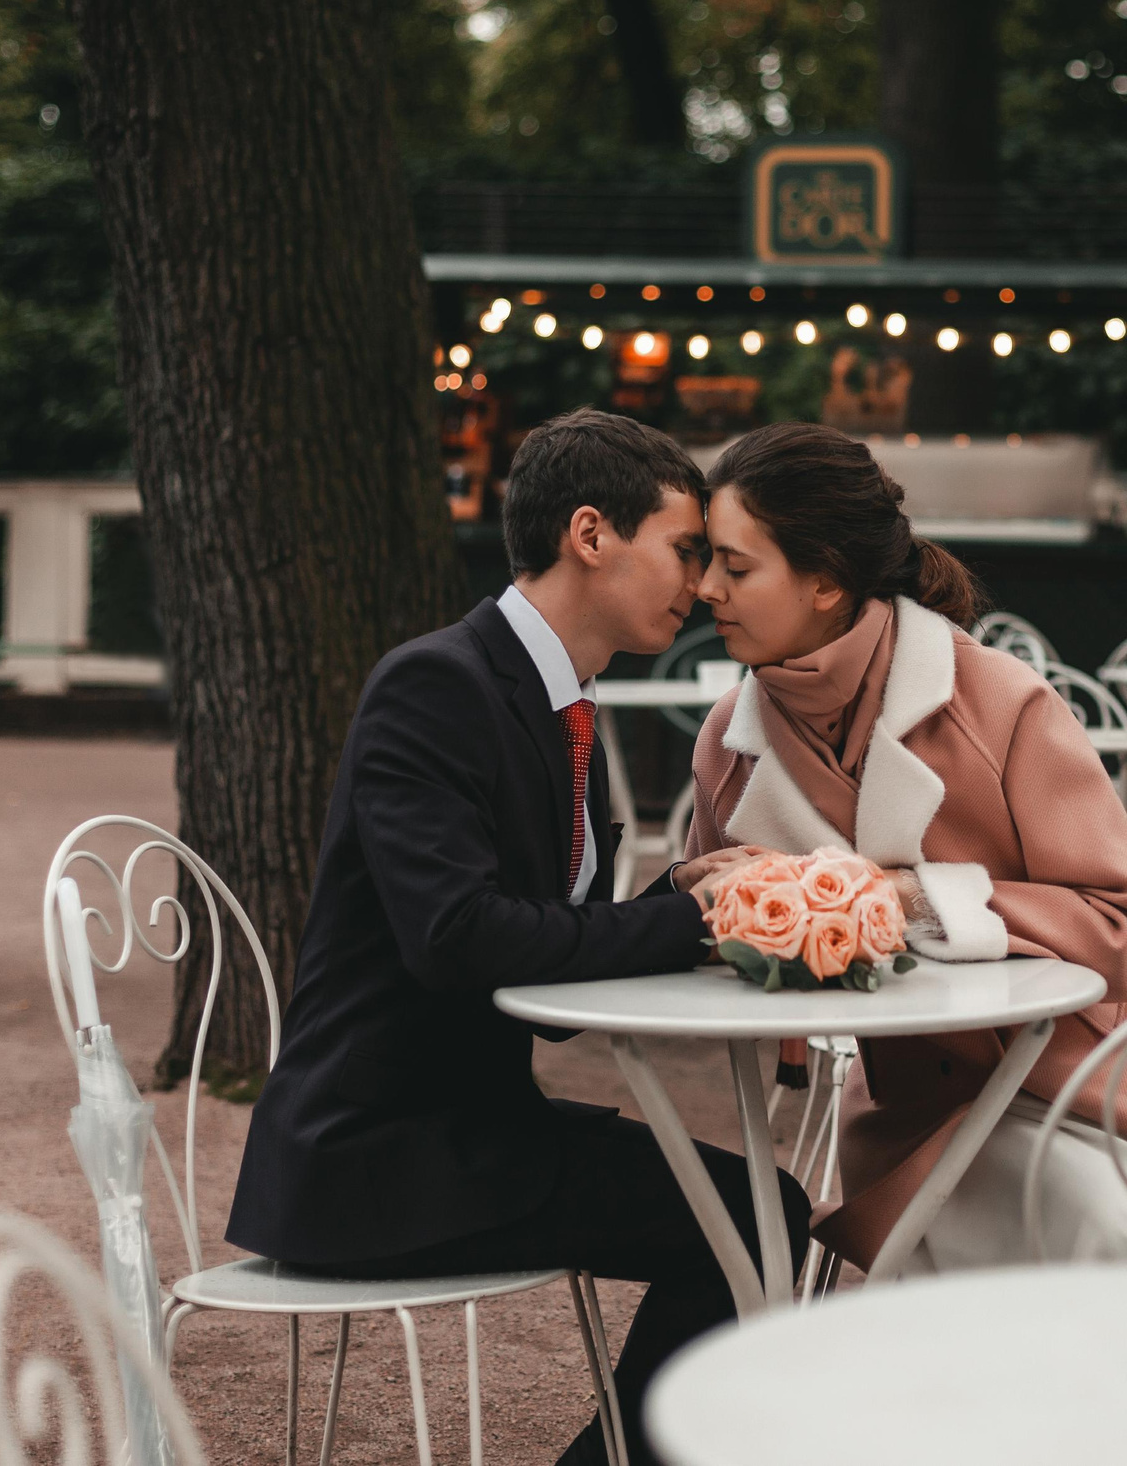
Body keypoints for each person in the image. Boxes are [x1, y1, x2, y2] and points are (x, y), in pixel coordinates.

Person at [227, 408, 808, 1466]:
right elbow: (458, 937)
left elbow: (529, 916)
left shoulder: (557, 703)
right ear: (591, 535)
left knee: (762, 1213)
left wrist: (677, 890)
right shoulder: (437, 684)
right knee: (754, 1219)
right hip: (374, 1158)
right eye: (685, 550)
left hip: (469, 1131)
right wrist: (693, 920)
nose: (703, 586)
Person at [684, 422, 1127, 1276]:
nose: (704, 589)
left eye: (735, 567)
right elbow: (712, 949)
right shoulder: (727, 744)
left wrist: (900, 896)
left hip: (1111, 1068)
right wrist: (711, 900)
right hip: (925, 1105)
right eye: (706, 561)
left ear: (826, 581)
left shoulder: (999, 702)